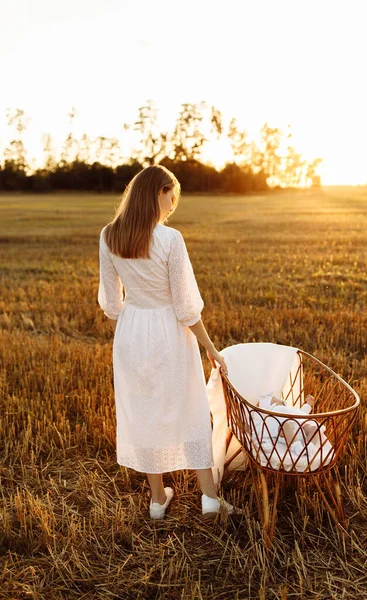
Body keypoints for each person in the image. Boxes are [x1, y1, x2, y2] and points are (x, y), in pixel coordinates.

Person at [98, 165, 243, 519]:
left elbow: (113, 305)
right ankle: (210, 498)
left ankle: (157, 500)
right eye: (171, 196)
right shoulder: (170, 239)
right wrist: (210, 347)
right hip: (169, 332)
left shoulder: (109, 236)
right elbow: (186, 307)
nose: (173, 205)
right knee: (189, 407)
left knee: (144, 410)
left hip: (131, 332)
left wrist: (137, 313)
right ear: (157, 192)